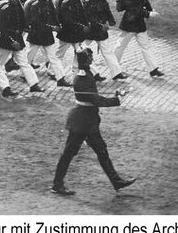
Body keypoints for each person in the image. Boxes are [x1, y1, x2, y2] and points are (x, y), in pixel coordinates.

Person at [50, 48, 136, 196]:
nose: (92, 59)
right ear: (84, 60)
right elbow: (95, 99)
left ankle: (116, 181)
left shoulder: (86, 73)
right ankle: (57, 184)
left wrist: (115, 95)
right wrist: (116, 100)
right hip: (82, 122)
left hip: (88, 121)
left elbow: (93, 96)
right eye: (89, 57)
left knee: (101, 150)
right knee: (69, 153)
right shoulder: (83, 77)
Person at [114, 0, 163, 78]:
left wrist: (150, 9)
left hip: (139, 24)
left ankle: (153, 69)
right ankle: (114, 69)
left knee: (145, 46)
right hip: (130, 23)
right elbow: (134, 10)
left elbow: (145, 2)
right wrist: (148, 14)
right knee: (120, 46)